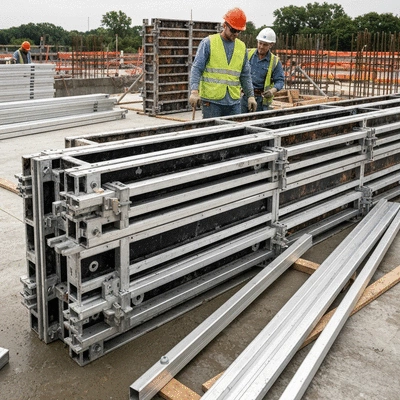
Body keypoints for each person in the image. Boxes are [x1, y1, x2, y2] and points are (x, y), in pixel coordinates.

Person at [189, 8, 257, 118]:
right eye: (233, 30)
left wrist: (250, 96)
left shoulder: (241, 47)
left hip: (233, 102)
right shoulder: (208, 42)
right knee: (212, 134)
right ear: (225, 25)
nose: (235, 34)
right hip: (212, 102)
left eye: (238, 31)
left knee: (234, 134)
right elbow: (197, 68)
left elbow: (245, 74)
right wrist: (194, 91)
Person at [240, 28, 284, 113]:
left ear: (271, 45)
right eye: (260, 43)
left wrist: (272, 91)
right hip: (244, 96)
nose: (261, 47)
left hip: (261, 99)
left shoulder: (274, 61)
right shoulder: (248, 54)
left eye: (265, 45)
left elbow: (280, 81)